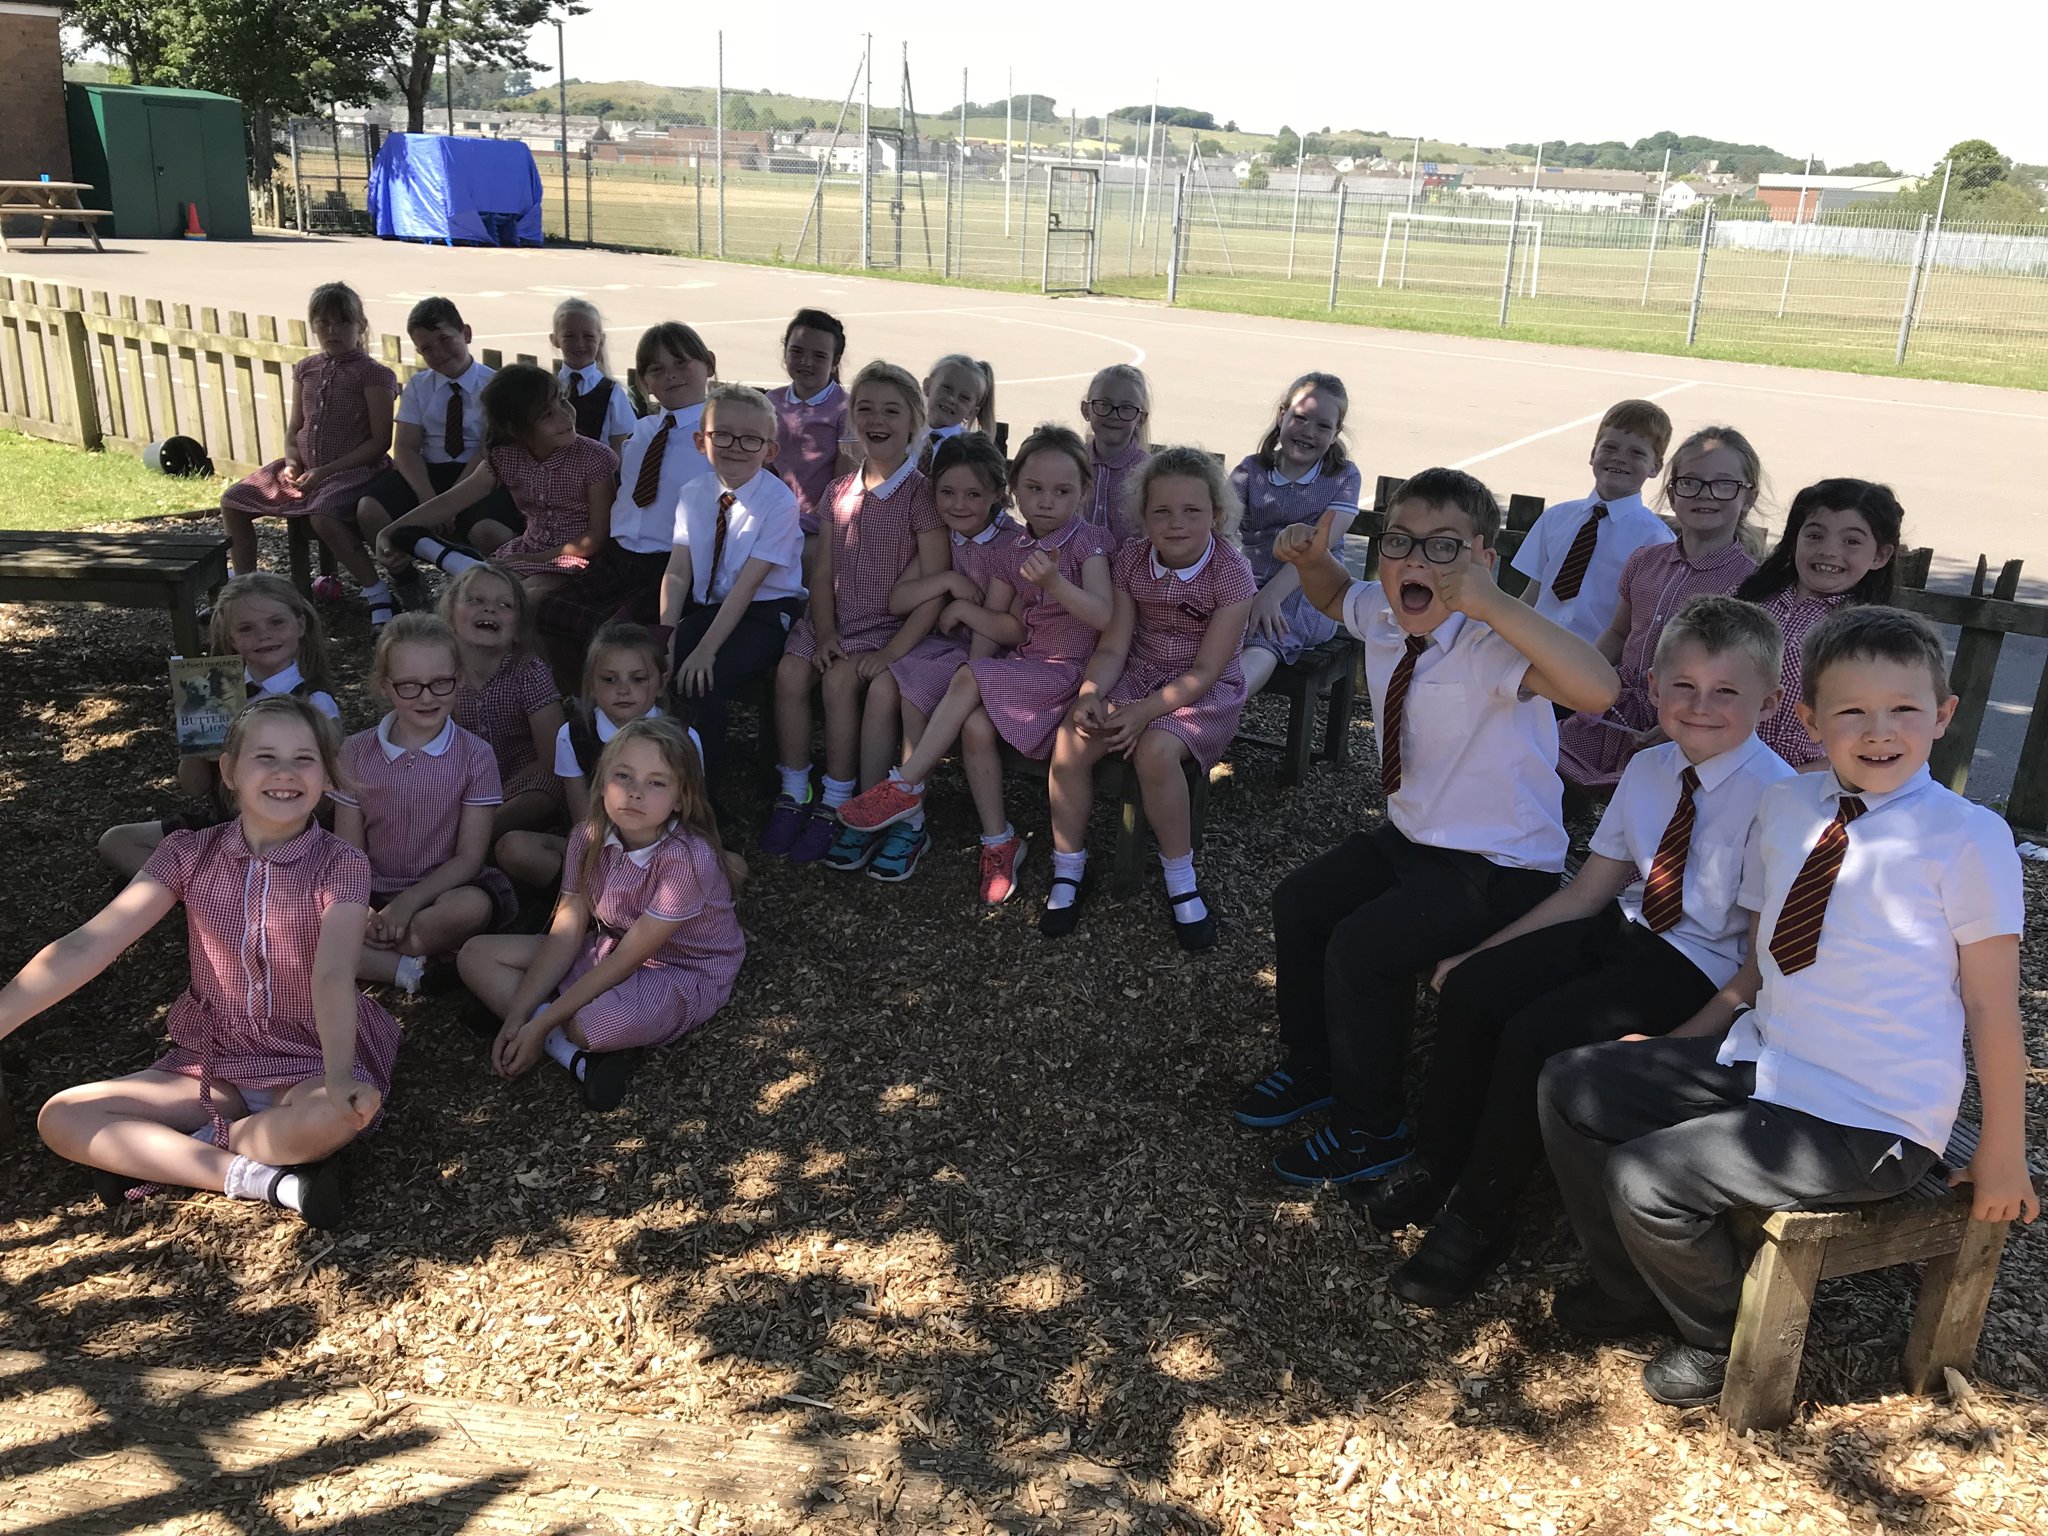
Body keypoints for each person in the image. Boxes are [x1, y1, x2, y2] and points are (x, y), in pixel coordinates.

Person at [1537, 605, 2037, 1410]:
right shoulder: (1790, 807)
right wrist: (1678, 1045)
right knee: (1573, 1085)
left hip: (1870, 1114)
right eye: (1851, 711)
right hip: (1767, 1061)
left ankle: (1716, 1332)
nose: (1880, 731)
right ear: (1809, 720)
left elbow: (1992, 1008)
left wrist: (2003, 1152)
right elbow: (1765, 961)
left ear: (1943, 716)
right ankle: (1630, 1283)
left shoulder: (1968, 838)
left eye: (1905, 709)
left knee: (1646, 1178)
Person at [1365, 596, 1794, 1307]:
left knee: (1538, 1035)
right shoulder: (1651, 768)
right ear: (1652, 689)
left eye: (1727, 692)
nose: (1700, 706)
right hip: (1627, 931)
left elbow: (1759, 960)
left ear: (1771, 701)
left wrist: (1684, 1043)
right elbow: (1588, 891)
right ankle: (1437, 1160)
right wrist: (1480, 955)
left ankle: (1481, 1214)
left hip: (1699, 969)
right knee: (1477, 990)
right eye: (1682, 687)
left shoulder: (1777, 798)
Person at [1235, 468, 1620, 1184]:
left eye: (1444, 548)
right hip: (1413, 840)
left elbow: (1598, 689)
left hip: (1500, 867)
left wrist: (1496, 604)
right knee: (1301, 903)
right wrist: (1311, 561)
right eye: (1401, 543)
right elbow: (1331, 596)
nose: (1416, 561)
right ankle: (1318, 1065)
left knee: (1364, 949)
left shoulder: (1494, 643)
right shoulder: (1385, 614)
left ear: (1483, 560)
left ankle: (1370, 1128)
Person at [1, 695, 394, 1229]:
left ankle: (177, 1153)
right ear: (228, 771)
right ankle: (265, 1180)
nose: (285, 773)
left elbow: (332, 973)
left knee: (334, 1116)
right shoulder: (189, 853)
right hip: (213, 1063)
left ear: (326, 775)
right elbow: (87, 945)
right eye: (265, 757)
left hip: (309, 1057)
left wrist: (341, 1073)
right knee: (63, 1117)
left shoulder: (341, 864)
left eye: (304, 758)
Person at [458, 718, 746, 1112]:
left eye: (656, 783)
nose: (635, 793)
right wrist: (519, 1017)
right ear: (602, 781)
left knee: (589, 1025)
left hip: (681, 968)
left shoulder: (687, 859)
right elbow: (567, 931)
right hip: (608, 946)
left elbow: (632, 957)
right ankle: (571, 1054)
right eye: (623, 776)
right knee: (474, 954)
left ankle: (558, 1030)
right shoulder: (586, 837)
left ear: (682, 797)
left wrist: (537, 1023)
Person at [1043, 447, 1255, 951]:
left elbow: (1206, 671)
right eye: (1161, 511)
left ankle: (1181, 878)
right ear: (1143, 517)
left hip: (1203, 691)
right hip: (1138, 674)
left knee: (1156, 751)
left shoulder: (1232, 575)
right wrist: (1092, 692)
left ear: (1216, 516)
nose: (1176, 523)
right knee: (1072, 739)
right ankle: (1069, 868)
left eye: (1191, 511)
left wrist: (1142, 712)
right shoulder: (1132, 560)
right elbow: (1115, 643)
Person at [764, 361, 947, 872]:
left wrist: (892, 651)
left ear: (914, 421)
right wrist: (823, 631)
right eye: (865, 408)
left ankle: (836, 800)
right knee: (791, 672)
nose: (876, 419)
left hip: (888, 630)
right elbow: (821, 575)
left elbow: (931, 589)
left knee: (840, 683)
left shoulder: (921, 497)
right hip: (835, 620)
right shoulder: (839, 490)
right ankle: (793, 790)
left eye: (891, 410)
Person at [836, 433, 1032, 893]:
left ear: (997, 494)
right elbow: (900, 598)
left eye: (973, 494)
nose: (958, 504)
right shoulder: (942, 539)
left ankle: (910, 820)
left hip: (987, 655)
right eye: (947, 492)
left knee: (909, 689)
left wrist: (963, 611)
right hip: (941, 648)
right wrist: (945, 579)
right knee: (883, 685)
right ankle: (877, 809)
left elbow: (1011, 628)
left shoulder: (1011, 543)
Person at [1557, 427, 1765, 793]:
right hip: (1612, 713)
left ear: (1749, 497)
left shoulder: (1749, 585)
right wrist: (1574, 676)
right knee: (1540, 765)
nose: (1705, 494)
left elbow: (1741, 680)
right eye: (1691, 482)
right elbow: (1619, 635)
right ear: (1672, 493)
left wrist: (1681, 728)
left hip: (1677, 727)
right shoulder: (1645, 561)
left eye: (1724, 484)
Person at [97, 573, 343, 878]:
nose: (263, 635)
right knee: (119, 841)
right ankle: (213, 895)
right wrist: (193, 737)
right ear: (231, 639)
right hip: (225, 825)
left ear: (300, 625)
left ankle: (227, 892)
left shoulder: (315, 702)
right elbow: (195, 787)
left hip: (289, 832)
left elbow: (328, 797)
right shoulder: (214, 693)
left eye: (276, 622)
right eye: (246, 628)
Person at [333, 613, 514, 994]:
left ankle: (364, 955)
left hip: (442, 893)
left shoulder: (475, 755)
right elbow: (347, 852)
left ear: (458, 679)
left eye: (440, 683)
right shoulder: (355, 752)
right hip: (373, 889)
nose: (427, 697)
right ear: (385, 686)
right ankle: (410, 970)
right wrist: (361, 906)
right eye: (410, 686)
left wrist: (407, 904)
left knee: (471, 908)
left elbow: (469, 858)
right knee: (309, 905)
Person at [536, 322, 717, 683]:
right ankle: (588, 701)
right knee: (552, 610)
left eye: (682, 363)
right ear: (645, 383)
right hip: (619, 557)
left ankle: (641, 710)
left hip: (668, 565)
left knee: (616, 636)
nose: (672, 375)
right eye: (657, 369)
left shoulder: (717, 440)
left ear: (709, 364)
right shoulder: (644, 431)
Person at [658, 384, 808, 788]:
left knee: (707, 678)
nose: (735, 447)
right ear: (700, 440)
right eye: (721, 434)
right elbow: (677, 570)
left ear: (770, 450)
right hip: (714, 609)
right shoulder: (693, 494)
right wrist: (666, 638)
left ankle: (705, 795)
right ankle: (659, 768)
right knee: (660, 666)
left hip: (767, 612)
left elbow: (747, 586)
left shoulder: (778, 503)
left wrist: (706, 651)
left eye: (751, 439)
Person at [375, 364, 618, 610]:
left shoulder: (594, 458)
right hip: (528, 551)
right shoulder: (507, 457)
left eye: (563, 401)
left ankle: (457, 563)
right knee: (473, 598)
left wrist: (530, 559)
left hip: (580, 558)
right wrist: (390, 531)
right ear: (515, 428)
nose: (565, 416)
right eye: (547, 414)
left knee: (523, 598)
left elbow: (595, 537)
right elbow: (451, 502)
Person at [353, 296, 522, 625]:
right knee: (369, 510)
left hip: (481, 474)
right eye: (427, 348)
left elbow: (488, 449)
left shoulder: (496, 385)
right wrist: (427, 498)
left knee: (490, 531)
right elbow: (405, 449)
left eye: (446, 340)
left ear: (466, 334)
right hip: (428, 473)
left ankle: (501, 599)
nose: (439, 353)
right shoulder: (420, 386)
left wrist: (450, 504)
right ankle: (409, 583)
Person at [219, 281, 396, 577]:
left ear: (361, 325)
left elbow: (380, 442)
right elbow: (294, 428)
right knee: (233, 501)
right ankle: (245, 583)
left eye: (343, 322)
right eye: (324, 323)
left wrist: (324, 473)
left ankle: (374, 590)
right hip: (305, 471)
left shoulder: (374, 374)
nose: (333, 331)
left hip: (354, 473)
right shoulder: (306, 369)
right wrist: (291, 462)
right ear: (313, 325)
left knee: (322, 516)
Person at [498, 622, 687, 889]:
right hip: (598, 848)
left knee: (733, 868)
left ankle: (635, 897)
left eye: (638, 679)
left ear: (660, 683)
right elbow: (585, 821)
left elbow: (689, 815)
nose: (623, 689)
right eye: (609, 680)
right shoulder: (572, 736)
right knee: (514, 848)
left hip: (665, 852)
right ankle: (593, 898)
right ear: (591, 684)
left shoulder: (684, 737)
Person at [1735, 479, 1901, 770]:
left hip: (1807, 783)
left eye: (1851, 541)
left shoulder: (1871, 637)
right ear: (1794, 537)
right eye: (1814, 535)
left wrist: (1790, 782)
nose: (1828, 550)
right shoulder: (1751, 600)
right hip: (1725, 764)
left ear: (1879, 556)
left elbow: (1870, 736)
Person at [1231, 372, 1364, 696]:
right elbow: (1221, 530)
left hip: (1310, 591)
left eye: (1323, 426)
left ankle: (1220, 709)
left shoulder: (1343, 476)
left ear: (1336, 434)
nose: (1308, 432)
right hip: (1252, 583)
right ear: (1281, 415)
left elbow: (1317, 551)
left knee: (1268, 633)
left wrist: (1269, 596)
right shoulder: (1251, 470)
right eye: (1301, 418)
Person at [1511, 400, 1674, 645]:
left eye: (1636, 452)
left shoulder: (1656, 542)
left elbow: (1641, 626)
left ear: (1656, 467)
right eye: (1610, 447)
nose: (1619, 458)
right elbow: (1532, 595)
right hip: (1531, 650)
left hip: (1594, 662)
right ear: (1592, 454)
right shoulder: (1556, 518)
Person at [440, 563, 568, 838]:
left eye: (505, 605)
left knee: (543, 794)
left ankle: (465, 843)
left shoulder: (528, 672)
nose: (490, 609)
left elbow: (551, 758)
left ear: (519, 628)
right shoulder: (440, 674)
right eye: (476, 600)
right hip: (460, 787)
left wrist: (496, 797)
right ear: (450, 616)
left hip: (521, 784)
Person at [769, 308, 855, 537]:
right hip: (772, 519)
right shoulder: (770, 402)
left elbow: (843, 482)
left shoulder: (846, 409)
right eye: (796, 351)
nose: (806, 362)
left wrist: (807, 521)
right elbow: (761, 467)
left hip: (821, 526)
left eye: (819, 356)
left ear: (835, 361)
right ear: (785, 351)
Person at [551, 296, 638, 453]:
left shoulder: (612, 392)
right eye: (569, 336)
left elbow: (620, 446)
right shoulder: (548, 388)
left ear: (601, 339)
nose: (579, 343)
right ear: (555, 340)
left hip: (597, 476)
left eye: (588, 336)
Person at [1078, 363, 1151, 541]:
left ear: (1140, 419)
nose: (1114, 415)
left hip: (1130, 568)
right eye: (1103, 404)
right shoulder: (1072, 464)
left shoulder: (1150, 473)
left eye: (1126, 408)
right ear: (1086, 410)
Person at [917, 354, 998, 471]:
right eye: (946, 387)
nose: (952, 399)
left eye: (964, 397)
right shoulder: (904, 432)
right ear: (927, 386)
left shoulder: (970, 452)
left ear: (971, 412)